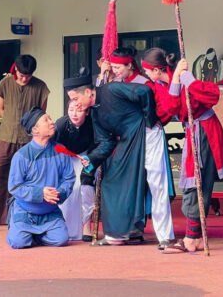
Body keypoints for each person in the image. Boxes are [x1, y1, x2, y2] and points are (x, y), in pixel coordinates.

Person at [65, 73, 157, 246]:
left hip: (140, 133)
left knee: (127, 181)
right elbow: (106, 142)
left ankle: (126, 232)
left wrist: (149, 121)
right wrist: (91, 160)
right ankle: (123, 233)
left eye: (76, 98)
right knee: (109, 181)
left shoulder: (111, 89)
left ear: (88, 92)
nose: (75, 104)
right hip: (126, 141)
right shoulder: (95, 113)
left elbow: (145, 91)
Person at [100, 47, 176, 250]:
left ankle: (164, 235)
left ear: (129, 65)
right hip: (127, 140)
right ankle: (128, 229)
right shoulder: (115, 82)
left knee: (155, 183)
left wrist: (150, 122)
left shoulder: (146, 84)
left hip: (149, 135)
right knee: (127, 184)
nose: (115, 70)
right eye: (113, 67)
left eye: (118, 67)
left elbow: (164, 110)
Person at [161, 58, 223, 253]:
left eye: (149, 71)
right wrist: (177, 80)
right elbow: (171, 109)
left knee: (196, 181)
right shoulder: (170, 84)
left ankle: (191, 238)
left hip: (204, 133)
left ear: (157, 70)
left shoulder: (190, 82)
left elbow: (214, 95)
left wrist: (188, 80)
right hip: (194, 130)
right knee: (194, 180)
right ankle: (194, 236)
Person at [0, 54, 50, 227]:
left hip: (29, 140)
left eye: (28, 76)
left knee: (27, 178)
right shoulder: (5, 83)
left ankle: (21, 216)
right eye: (22, 75)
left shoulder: (40, 87)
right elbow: (0, 108)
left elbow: (41, 114)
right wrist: (12, 121)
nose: (24, 79)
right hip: (6, 136)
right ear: (15, 69)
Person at [7, 107, 76, 249]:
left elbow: (69, 178)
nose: (52, 122)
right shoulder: (21, 156)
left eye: (50, 118)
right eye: (46, 120)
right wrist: (41, 193)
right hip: (25, 212)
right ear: (35, 130)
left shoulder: (61, 151)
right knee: (18, 243)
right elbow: (14, 187)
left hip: (50, 212)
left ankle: (36, 236)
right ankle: (18, 226)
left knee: (61, 240)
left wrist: (58, 193)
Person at [54, 102, 97, 242]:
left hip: (87, 157)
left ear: (87, 112)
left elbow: (98, 145)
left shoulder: (93, 123)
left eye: (79, 110)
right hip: (66, 159)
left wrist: (90, 159)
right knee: (69, 186)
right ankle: (65, 227)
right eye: (71, 109)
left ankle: (86, 225)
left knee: (84, 185)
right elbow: (54, 148)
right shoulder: (61, 124)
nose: (74, 114)